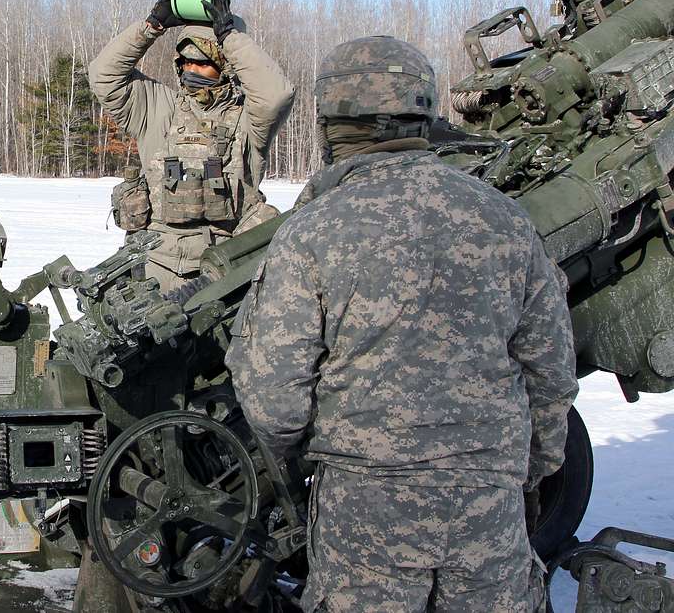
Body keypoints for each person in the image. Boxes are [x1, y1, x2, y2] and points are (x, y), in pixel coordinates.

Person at [226, 36, 578, 612]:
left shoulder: (312, 232)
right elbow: (551, 371)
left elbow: (273, 397)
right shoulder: (503, 219)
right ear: (426, 111)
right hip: (486, 502)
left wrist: (301, 463)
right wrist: (524, 470)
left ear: (330, 124)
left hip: (365, 508)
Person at [89, 0, 295, 293]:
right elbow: (104, 76)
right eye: (185, 61)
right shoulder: (159, 109)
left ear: (226, 64)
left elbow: (276, 95)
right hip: (154, 268)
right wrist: (151, 26)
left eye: (203, 62)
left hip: (223, 272)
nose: (191, 70)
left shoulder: (248, 119)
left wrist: (229, 36)